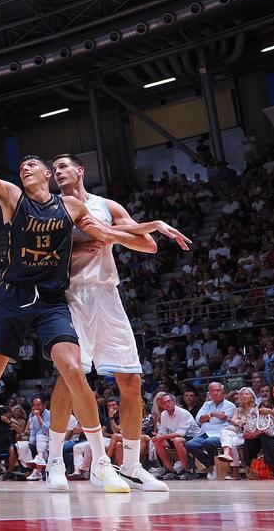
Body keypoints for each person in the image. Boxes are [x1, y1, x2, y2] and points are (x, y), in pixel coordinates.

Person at [0, 96, 136, 492]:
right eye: (22, 166)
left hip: (51, 300)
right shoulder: (11, 197)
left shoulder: (70, 206)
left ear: (48, 174)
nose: (25, 168)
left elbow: (106, 233)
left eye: (32, 164)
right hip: (13, 296)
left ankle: (101, 462)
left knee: (73, 369)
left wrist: (150, 228)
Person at [46, 154, 188, 492]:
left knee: (131, 380)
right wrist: (84, 242)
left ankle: (132, 466)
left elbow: (148, 245)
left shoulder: (107, 206)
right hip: (72, 295)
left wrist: (109, 234)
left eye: (63, 166)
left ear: (80, 170)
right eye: (53, 169)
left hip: (108, 295)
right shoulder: (51, 208)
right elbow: (48, 253)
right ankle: (53, 462)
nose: (57, 172)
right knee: (68, 378)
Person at [187, 381, 238, 479]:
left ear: (223, 392)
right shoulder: (207, 404)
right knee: (190, 444)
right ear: (209, 393)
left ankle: (215, 466)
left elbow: (221, 418)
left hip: (221, 434)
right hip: (206, 432)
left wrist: (207, 417)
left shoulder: (230, 405)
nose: (215, 393)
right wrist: (212, 414)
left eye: (218, 390)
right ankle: (211, 464)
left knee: (209, 442)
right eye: (213, 391)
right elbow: (198, 420)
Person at [151, 393, 199, 480]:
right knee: (157, 441)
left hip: (192, 437)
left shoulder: (183, 413)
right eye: (164, 403)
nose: (167, 404)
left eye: (169, 401)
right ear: (161, 405)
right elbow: (162, 432)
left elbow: (181, 433)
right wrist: (158, 437)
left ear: (174, 402)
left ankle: (186, 469)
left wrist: (161, 437)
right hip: (175, 437)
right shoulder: (164, 414)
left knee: (177, 440)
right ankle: (169, 469)